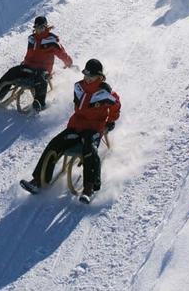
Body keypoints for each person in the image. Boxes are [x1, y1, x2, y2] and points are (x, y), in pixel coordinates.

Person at [20, 58, 121, 204]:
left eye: (91, 76)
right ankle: (38, 180)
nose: (87, 78)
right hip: (76, 126)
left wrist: (110, 121)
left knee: (89, 150)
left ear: (99, 76)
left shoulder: (105, 91)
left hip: (93, 129)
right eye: (86, 75)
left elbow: (116, 105)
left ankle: (89, 188)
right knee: (55, 144)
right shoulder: (78, 87)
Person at [0, 16, 72, 111]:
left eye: (42, 28)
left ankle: (39, 103)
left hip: (43, 69)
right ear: (34, 28)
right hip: (29, 67)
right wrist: (24, 64)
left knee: (41, 78)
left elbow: (61, 53)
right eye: (37, 28)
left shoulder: (52, 40)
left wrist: (69, 62)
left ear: (46, 27)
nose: (39, 30)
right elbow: (29, 55)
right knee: (13, 71)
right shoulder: (31, 39)